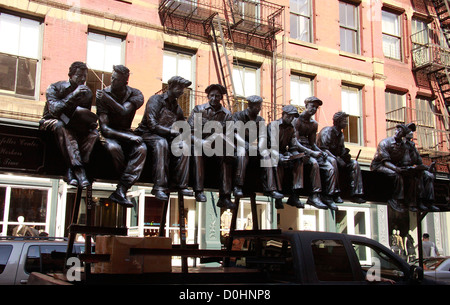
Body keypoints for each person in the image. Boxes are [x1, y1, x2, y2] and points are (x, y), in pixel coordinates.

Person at [40, 61, 99, 188]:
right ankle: (79, 170)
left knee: (94, 133)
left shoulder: (87, 93)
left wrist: (90, 122)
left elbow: (84, 114)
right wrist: (73, 95)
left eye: (85, 76)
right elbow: (54, 110)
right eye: (79, 76)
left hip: (74, 124)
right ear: (70, 75)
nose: (82, 79)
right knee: (62, 125)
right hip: (51, 121)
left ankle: (70, 169)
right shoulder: (55, 87)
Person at [96, 65, 147, 207]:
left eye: (116, 79)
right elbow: (105, 129)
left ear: (125, 82)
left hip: (126, 131)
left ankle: (121, 189)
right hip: (111, 134)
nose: (112, 81)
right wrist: (129, 137)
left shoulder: (136, 94)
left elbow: (124, 111)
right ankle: (123, 181)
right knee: (113, 148)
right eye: (112, 78)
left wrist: (108, 100)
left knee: (142, 148)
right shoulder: (103, 94)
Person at [135, 76, 193, 201]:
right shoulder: (156, 100)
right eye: (179, 88)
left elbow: (184, 127)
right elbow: (152, 124)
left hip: (167, 137)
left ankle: (180, 185)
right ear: (170, 86)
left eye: (183, 89)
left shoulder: (177, 108)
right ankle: (159, 187)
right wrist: (172, 132)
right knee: (161, 143)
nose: (182, 91)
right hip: (147, 134)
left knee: (184, 146)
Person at [187, 84, 235, 209]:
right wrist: (202, 142)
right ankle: (199, 191)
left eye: (217, 96)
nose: (214, 98)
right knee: (197, 150)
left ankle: (224, 197)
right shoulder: (199, 110)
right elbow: (189, 132)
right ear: (208, 96)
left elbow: (229, 137)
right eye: (212, 95)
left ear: (221, 98)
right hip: (199, 144)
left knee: (226, 156)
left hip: (217, 148)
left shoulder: (227, 114)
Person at [232, 95, 283, 201]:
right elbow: (235, 134)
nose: (260, 108)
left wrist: (259, 148)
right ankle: (238, 186)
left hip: (254, 147)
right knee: (241, 154)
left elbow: (263, 136)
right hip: (240, 145)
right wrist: (247, 146)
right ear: (250, 106)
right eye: (258, 106)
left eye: (260, 106)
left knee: (266, 155)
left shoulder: (260, 120)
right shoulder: (238, 116)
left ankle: (270, 188)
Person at [293, 96, 340, 210]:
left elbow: (313, 143)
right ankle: (314, 196)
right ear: (306, 106)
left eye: (316, 107)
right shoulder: (297, 120)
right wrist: (312, 153)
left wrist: (321, 152)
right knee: (314, 163)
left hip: (310, 150)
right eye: (312, 106)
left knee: (329, 165)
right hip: (299, 150)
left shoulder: (314, 124)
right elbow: (294, 142)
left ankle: (329, 195)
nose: (314, 109)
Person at [267, 105, 318, 209]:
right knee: (277, 162)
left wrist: (299, 155)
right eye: (289, 116)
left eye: (293, 117)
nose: (291, 119)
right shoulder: (273, 125)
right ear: (283, 114)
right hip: (270, 152)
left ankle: (295, 194)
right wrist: (280, 157)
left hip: (283, 152)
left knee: (299, 161)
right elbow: (271, 146)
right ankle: (278, 197)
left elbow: (293, 146)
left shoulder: (291, 128)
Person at [317, 111, 365, 203]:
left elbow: (341, 150)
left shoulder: (341, 135)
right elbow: (323, 149)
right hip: (324, 157)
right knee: (333, 161)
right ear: (338, 121)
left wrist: (345, 155)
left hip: (336, 158)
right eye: (344, 121)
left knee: (354, 163)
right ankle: (335, 193)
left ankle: (356, 194)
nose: (346, 123)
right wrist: (337, 159)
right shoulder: (327, 131)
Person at [370, 124, 412, 213]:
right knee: (396, 175)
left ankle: (410, 201)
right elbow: (385, 162)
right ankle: (396, 199)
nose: (397, 132)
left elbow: (405, 161)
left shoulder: (404, 147)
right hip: (379, 165)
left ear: (403, 135)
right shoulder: (385, 143)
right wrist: (397, 169)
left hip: (394, 166)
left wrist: (408, 168)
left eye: (400, 132)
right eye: (397, 130)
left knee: (410, 176)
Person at [404, 123, 440, 212]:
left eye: (412, 131)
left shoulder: (412, 146)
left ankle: (429, 202)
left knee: (429, 175)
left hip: (416, 169)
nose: (411, 132)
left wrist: (427, 167)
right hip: (406, 169)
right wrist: (414, 167)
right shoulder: (401, 145)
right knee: (417, 176)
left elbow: (419, 160)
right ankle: (417, 202)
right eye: (409, 130)